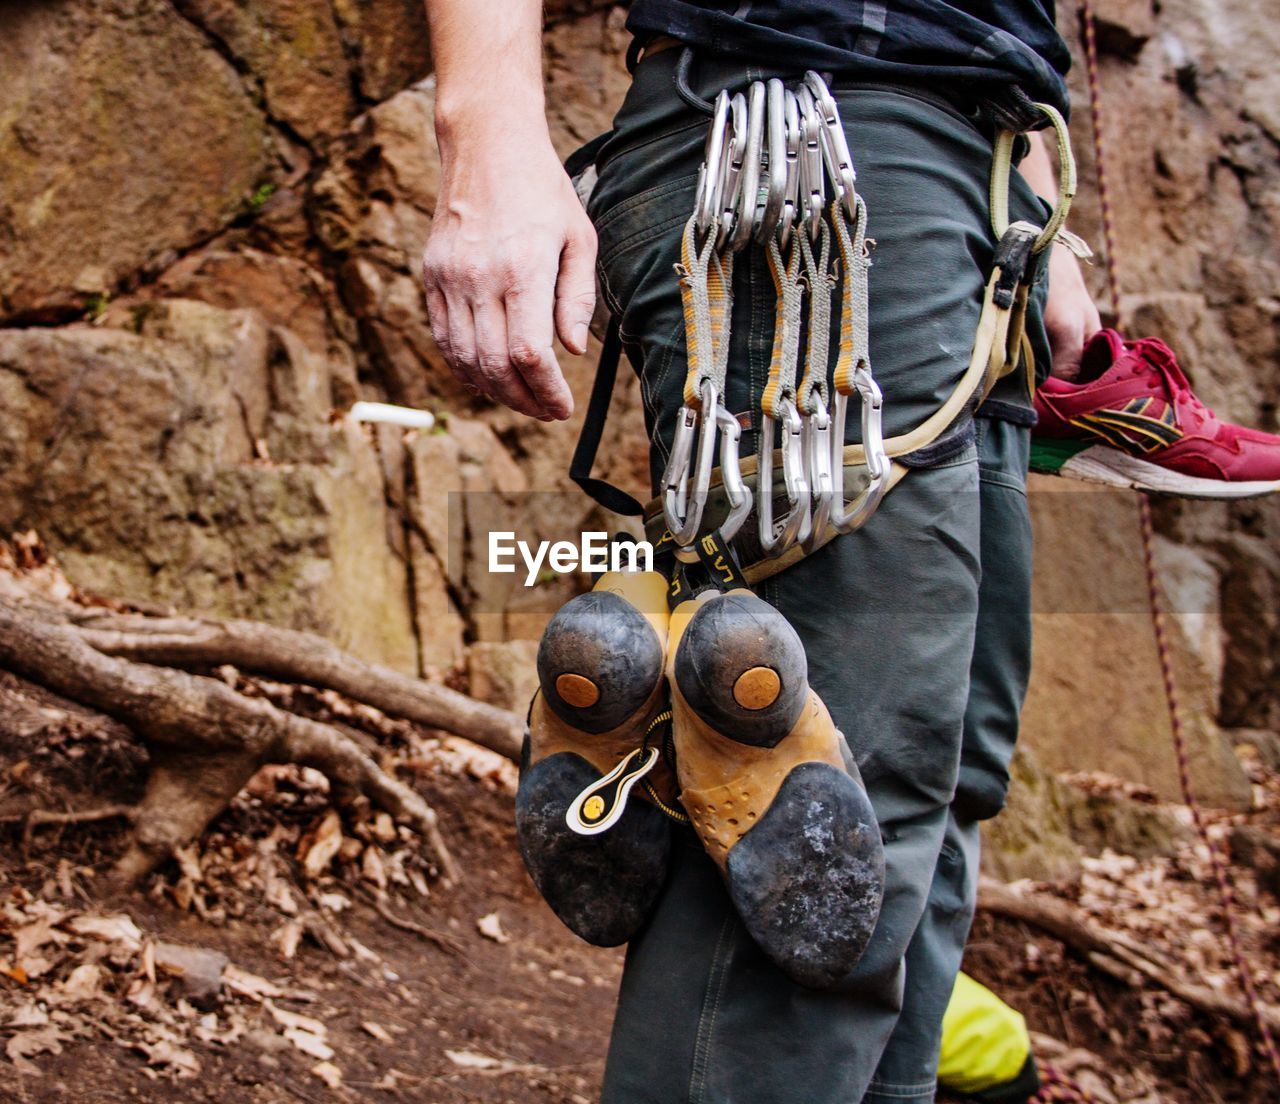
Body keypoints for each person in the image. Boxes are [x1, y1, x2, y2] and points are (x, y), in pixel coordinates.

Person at [420, 2, 1099, 1101]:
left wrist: (1023, 195)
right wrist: (484, 127)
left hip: (973, 185)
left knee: (929, 799)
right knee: (806, 803)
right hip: (800, 142)